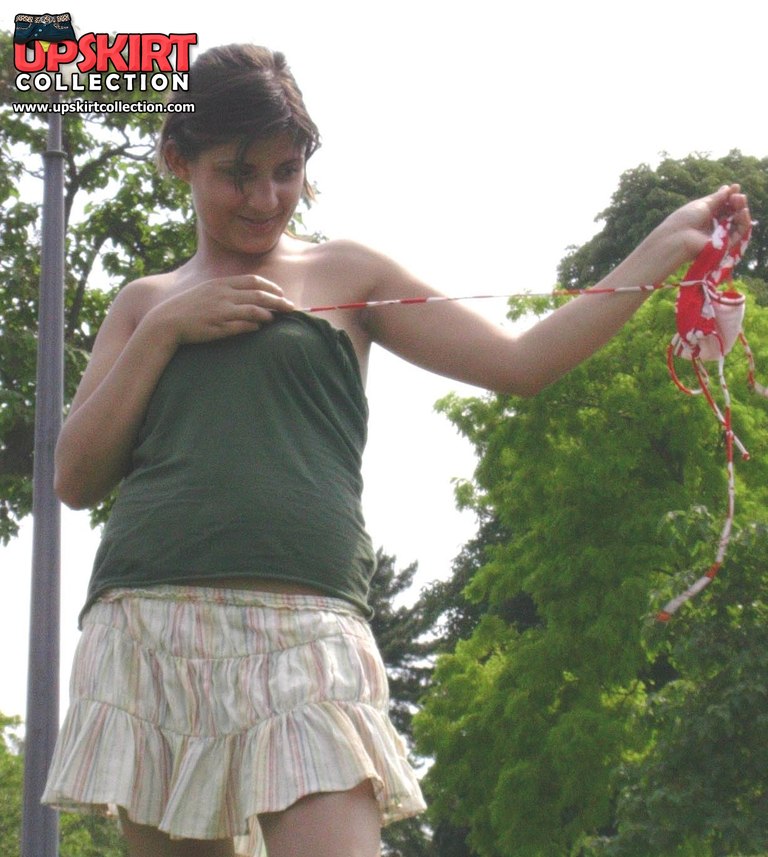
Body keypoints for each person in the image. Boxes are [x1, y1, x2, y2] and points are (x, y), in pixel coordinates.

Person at [41, 43, 751, 857]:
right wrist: (166, 329)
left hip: (309, 636)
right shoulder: (145, 305)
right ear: (180, 159)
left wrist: (663, 245)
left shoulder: (350, 272)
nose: (266, 197)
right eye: (239, 173)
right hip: (152, 630)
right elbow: (74, 476)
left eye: (286, 170)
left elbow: (521, 363)